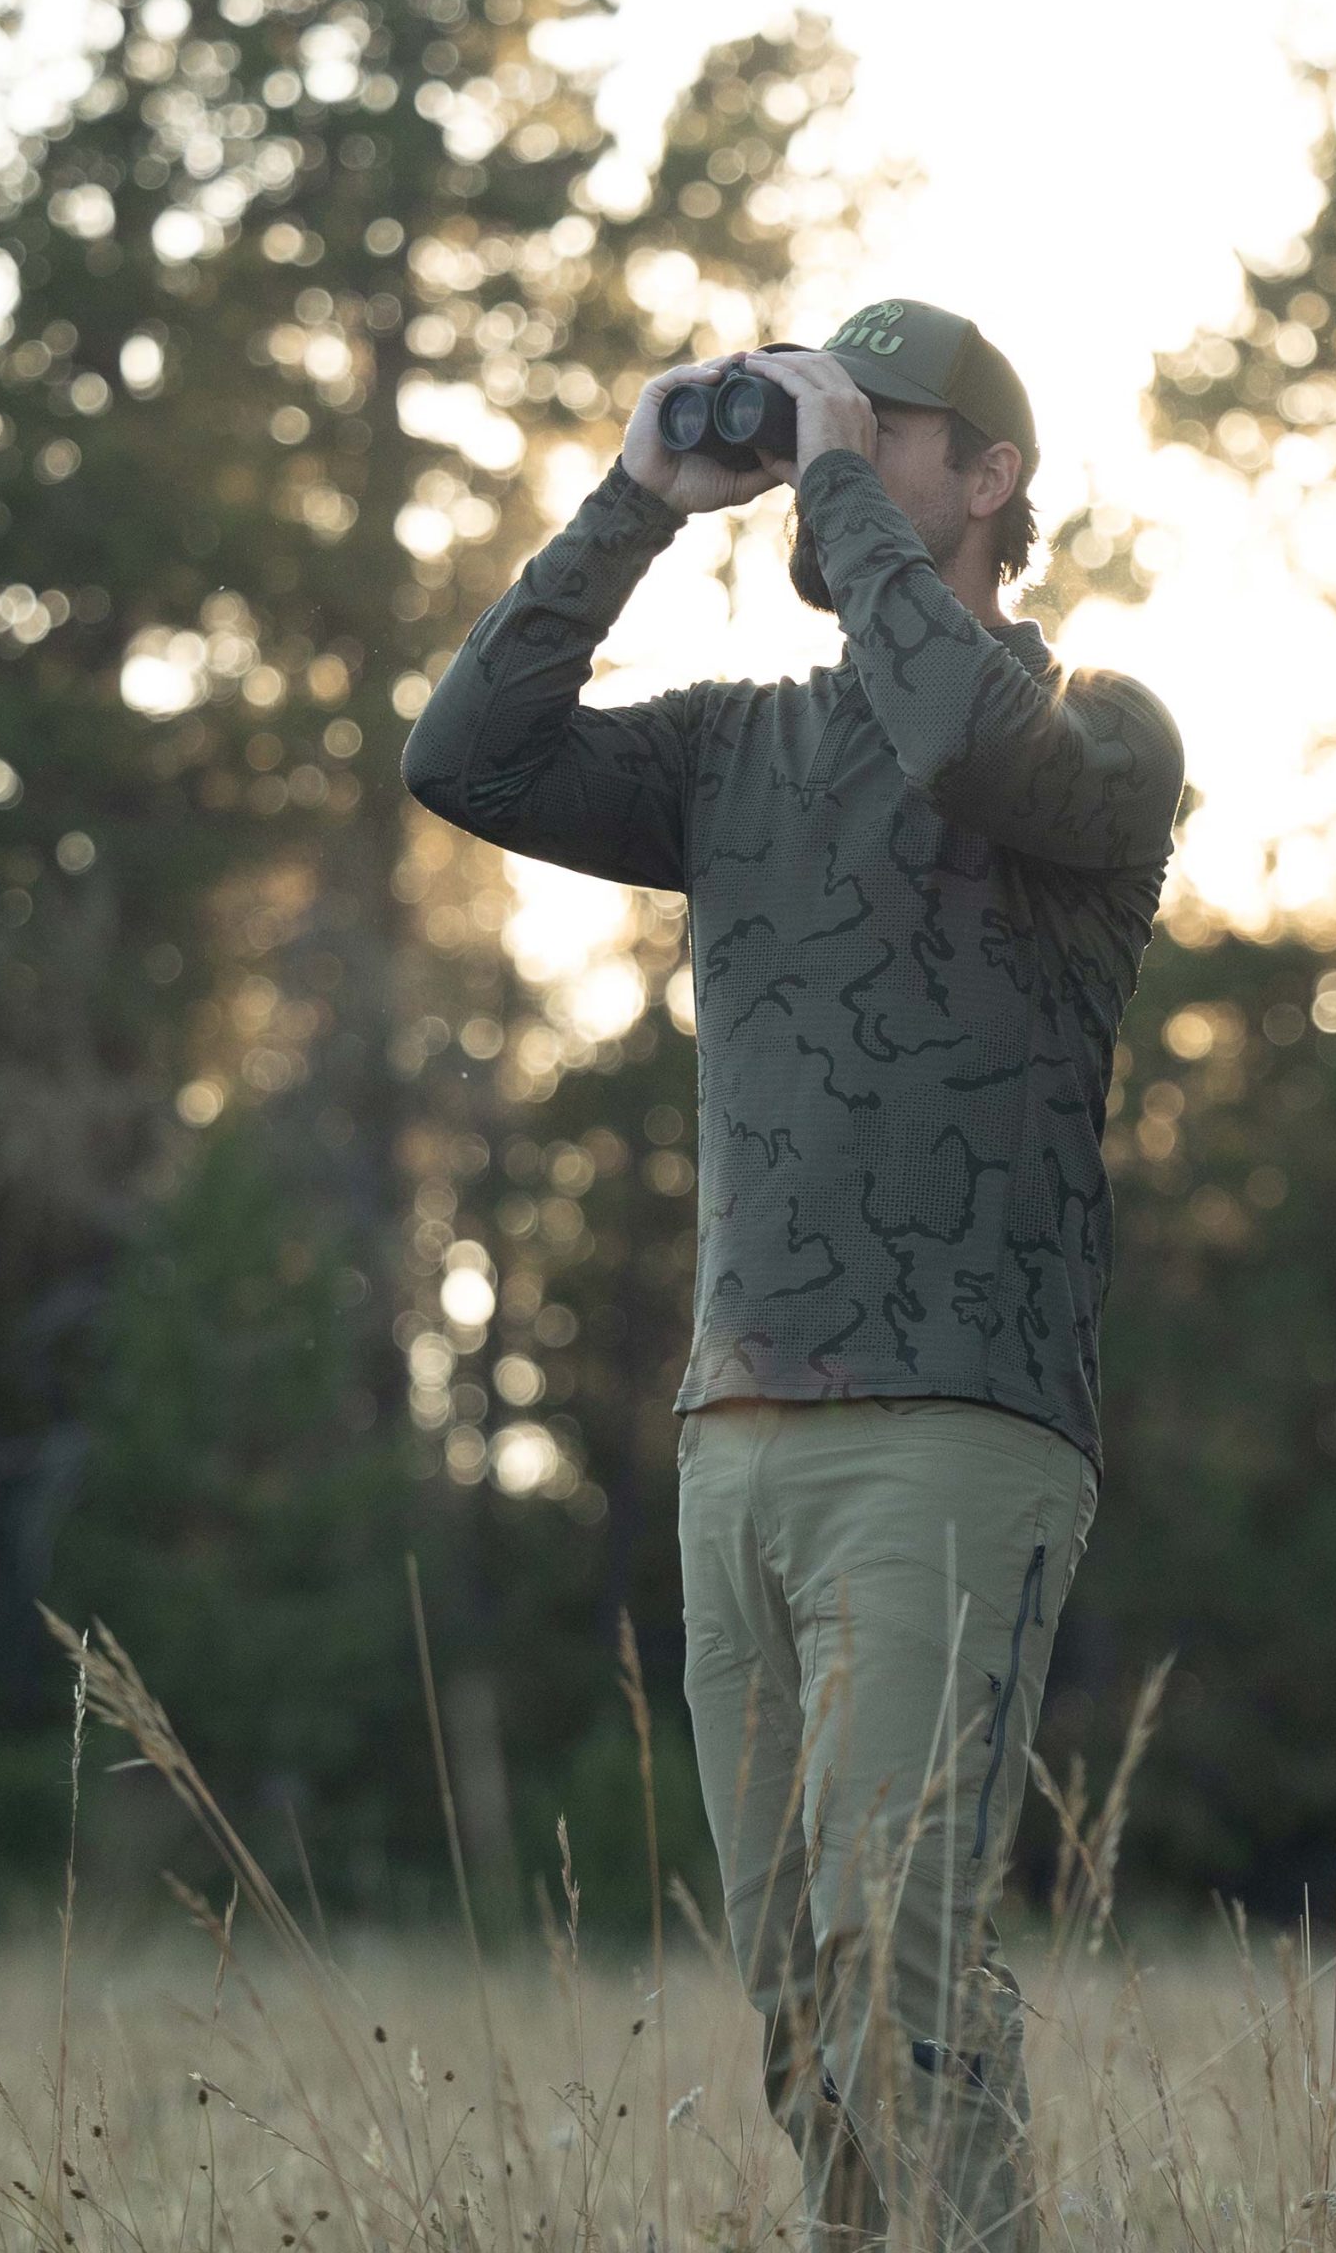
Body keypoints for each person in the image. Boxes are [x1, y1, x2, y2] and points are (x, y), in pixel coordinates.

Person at [401, 299, 1186, 2252]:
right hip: (736, 1425)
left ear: (987, 474)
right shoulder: (731, 752)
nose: (831, 441)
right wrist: (640, 497)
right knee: (797, 1989)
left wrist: (828, 484)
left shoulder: (1097, 732)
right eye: (816, 410)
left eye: (885, 419)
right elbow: (467, 759)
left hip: (954, 1422)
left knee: (900, 1943)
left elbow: (952, 732)